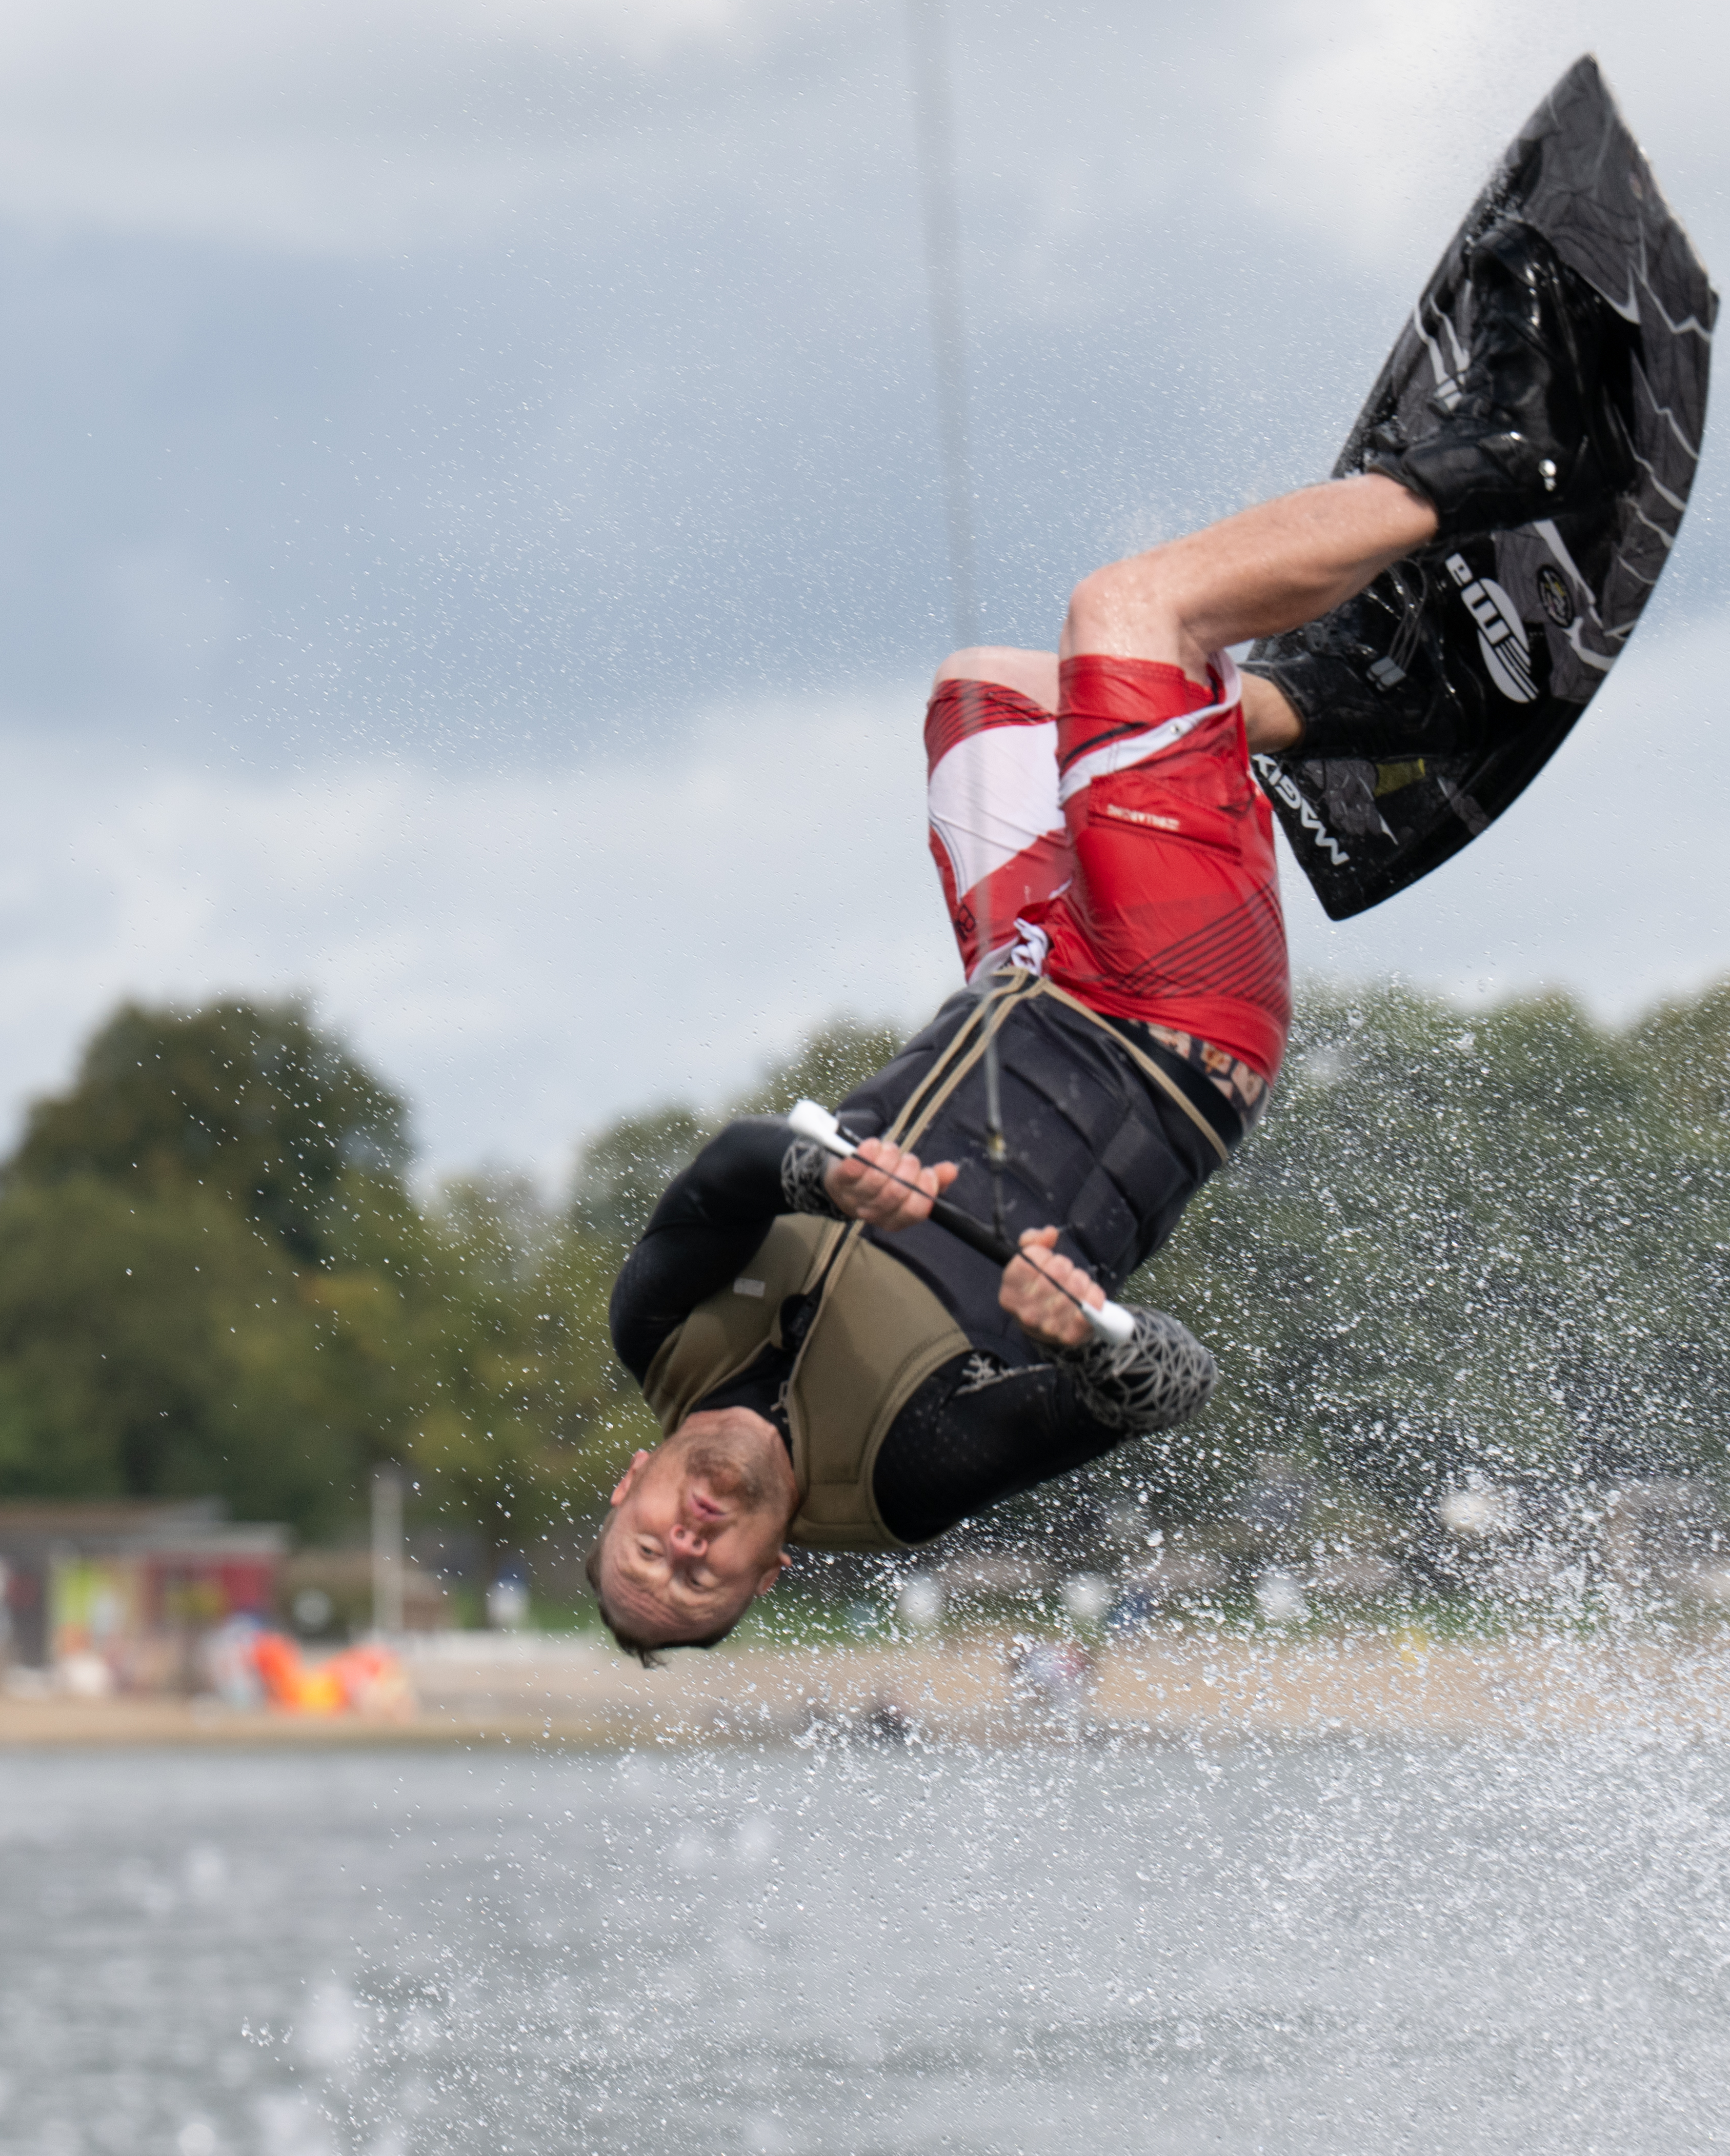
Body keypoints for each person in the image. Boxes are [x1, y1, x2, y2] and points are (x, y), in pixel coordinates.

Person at [591, 228, 1624, 1657]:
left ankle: (1343, 705)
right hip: (1164, 1023)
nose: (690, 1538)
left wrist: (824, 1172)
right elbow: (1164, 1395)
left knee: (990, 689)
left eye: (654, 1544)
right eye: (702, 1577)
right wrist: (1090, 1340)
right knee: (1124, 616)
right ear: (766, 1576)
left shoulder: (662, 1337)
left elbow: (720, 1173)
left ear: (627, 1485)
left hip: (1027, 969)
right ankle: (1495, 459)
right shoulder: (903, 1474)